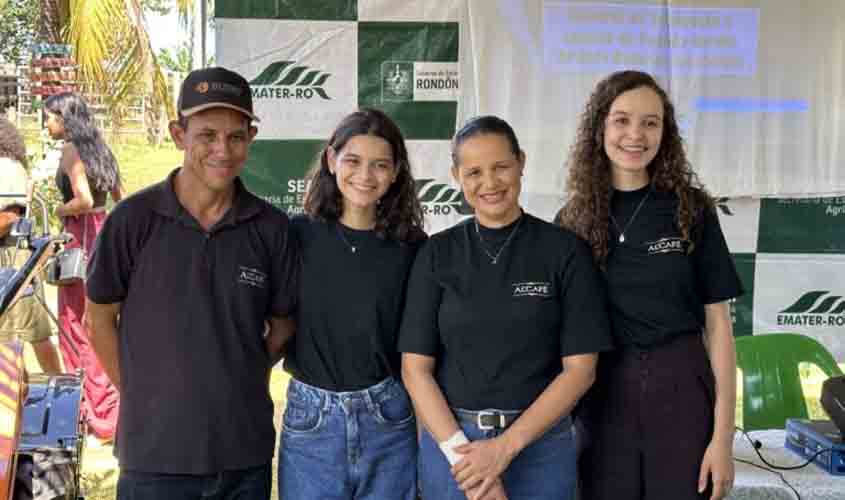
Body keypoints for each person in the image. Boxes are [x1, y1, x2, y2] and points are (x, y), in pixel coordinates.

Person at [85, 67, 298, 500]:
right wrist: (142, 389)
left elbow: (283, 324)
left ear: (251, 138)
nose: (222, 150)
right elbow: (99, 317)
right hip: (154, 456)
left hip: (243, 455)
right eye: (207, 134)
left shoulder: (272, 228)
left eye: (236, 136)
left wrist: (238, 371)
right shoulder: (132, 220)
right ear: (178, 134)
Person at [399, 116, 613, 500]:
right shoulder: (436, 253)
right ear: (457, 176)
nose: (490, 183)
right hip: (453, 450)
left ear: (521, 163)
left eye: (501, 167)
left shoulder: (564, 252)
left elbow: (581, 370)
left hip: (541, 447)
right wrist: (466, 461)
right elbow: (415, 370)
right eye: (474, 172)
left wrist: (503, 448)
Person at [557, 70, 743, 500]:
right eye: (622, 120)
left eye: (650, 122)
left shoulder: (690, 210)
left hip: (683, 389)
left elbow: (718, 327)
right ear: (600, 127)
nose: (635, 134)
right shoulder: (572, 222)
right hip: (602, 395)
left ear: (666, 132)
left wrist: (722, 439)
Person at [278, 108, 427, 499]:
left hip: (388, 416)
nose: (365, 176)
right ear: (331, 160)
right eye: (353, 161)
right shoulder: (296, 236)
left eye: (380, 165)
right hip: (311, 417)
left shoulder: (412, 247)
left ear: (396, 172)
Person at [43, 92, 123, 439]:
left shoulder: (72, 150)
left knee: (77, 325)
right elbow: (120, 198)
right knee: (105, 324)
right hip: (105, 235)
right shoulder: (101, 149)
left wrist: (58, 210)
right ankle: (112, 414)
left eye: (50, 116)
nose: (47, 123)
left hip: (80, 240)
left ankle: (89, 414)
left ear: (65, 118)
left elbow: (83, 199)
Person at [0, 116, 63, 375]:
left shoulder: (7, 168)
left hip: (13, 260)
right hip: (11, 258)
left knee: (27, 333)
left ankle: (58, 387)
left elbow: (10, 216)